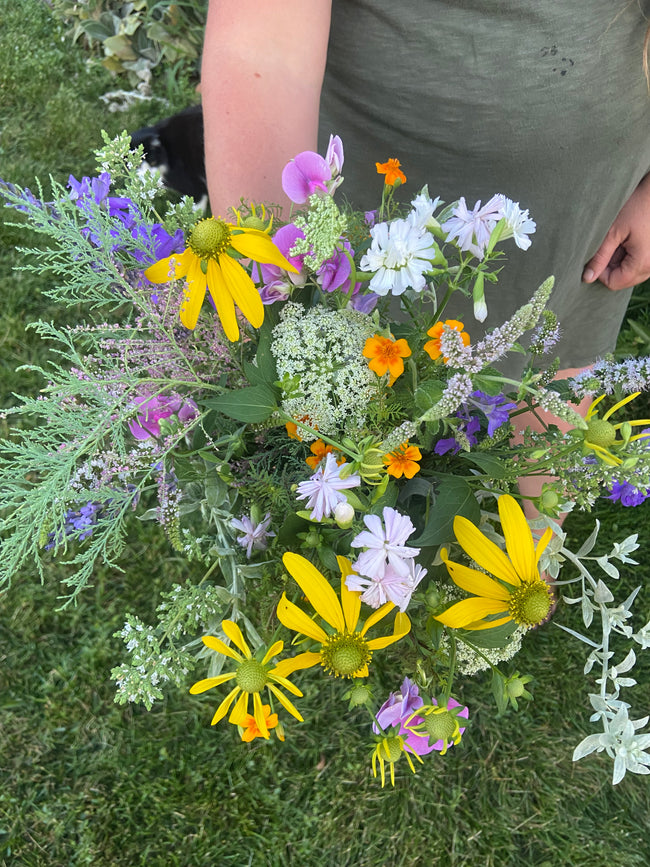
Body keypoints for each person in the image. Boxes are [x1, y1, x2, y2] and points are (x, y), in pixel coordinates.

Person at [201, 0, 650, 508]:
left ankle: (531, 555)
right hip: (378, 198)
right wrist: (281, 304)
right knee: (367, 418)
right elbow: (259, 46)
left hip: (586, 204)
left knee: (551, 378)